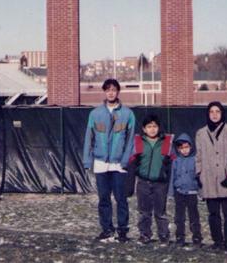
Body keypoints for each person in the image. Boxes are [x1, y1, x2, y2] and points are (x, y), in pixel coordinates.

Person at [82, 78, 135, 243]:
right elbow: (88, 138)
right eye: (108, 90)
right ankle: (106, 229)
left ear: (118, 92)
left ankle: (122, 231)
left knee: (121, 198)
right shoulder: (95, 113)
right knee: (104, 198)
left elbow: (130, 140)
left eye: (114, 89)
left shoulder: (127, 114)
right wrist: (87, 160)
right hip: (100, 163)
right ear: (105, 92)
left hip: (119, 164)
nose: (111, 92)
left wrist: (125, 160)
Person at [195, 101, 227, 251]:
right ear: (207, 114)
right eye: (211, 112)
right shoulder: (201, 133)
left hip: (226, 180)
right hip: (208, 180)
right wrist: (198, 174)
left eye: (217, 111)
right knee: (213, 214)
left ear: (222, 113)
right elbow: (198, 156)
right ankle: (217, 242)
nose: (214, 115)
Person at [130, 114, 172, 245]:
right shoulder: (138, 142)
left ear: (159, 128)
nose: (152, 129)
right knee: (144, 212)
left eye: (155, 126)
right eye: (149, 126)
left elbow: (173, 162)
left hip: (160, 183)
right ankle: (145, 234)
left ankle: (164, 235)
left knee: (160, 212)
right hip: (143, 182)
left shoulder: (166, 142)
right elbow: (132, 161)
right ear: (144, 129)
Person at [169, 133, 203, 247]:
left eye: (186, 147)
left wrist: (201, 190)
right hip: (179, 192)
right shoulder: (176, 161)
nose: (184, 150)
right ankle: (180, 237)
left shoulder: (195, 160)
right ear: (178, 149)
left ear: (191, 146)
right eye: (181, 148)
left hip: (192, 193)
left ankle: (197, 237)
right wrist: (171, 191)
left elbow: (200, 176)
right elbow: (172, 176)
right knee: (179, 217)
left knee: (194, 216)